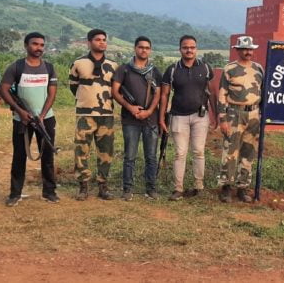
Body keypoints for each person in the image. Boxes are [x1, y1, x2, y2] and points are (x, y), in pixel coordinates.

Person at [0, 32, 59, 206]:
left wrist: (41, 116)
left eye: (41, 45)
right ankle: (15, 194)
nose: (38, 48)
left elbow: (52, 93)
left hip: (46, 119)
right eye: (35, 44)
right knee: (19, 156)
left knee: (47, 157)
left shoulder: (49, 67)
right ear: (26, 45)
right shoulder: (16, 67)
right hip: (22, 119)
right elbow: (4, 89)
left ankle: (49, 192)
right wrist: (20, 111)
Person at [159, 35, 215, 201]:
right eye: (185, 47)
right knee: (180, 153)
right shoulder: (172, 69)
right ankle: (178, 189)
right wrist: (162, 117)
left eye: (192, 47)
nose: (189, 50)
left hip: (200, 116)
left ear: (196, 49)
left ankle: (199, 186)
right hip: (178, 116)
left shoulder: (205, 68)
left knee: (198, 151)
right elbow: (164, 95)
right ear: (180, 49)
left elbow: (212, 93)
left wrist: (216, 114)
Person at [69, 29, 118, 201]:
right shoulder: (78, 63)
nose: (102, 42)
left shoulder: (113, 65)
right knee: (81, 150)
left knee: (106, 151)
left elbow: (115, 89)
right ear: (88, 42)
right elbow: (74, 86)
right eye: (97, 39)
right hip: (85, 114)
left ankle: (103, 186)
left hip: (106, 114)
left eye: (104, 39)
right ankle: (83, 186)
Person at [112, 36, 162, 201]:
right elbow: (115, 91)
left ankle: (151, 189)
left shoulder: (154, 71)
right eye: (141, 47)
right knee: (130, 156)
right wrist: (130, 107)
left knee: (151, 157)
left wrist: (149, 111)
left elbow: (158, 94)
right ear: (135, 48)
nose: (144, 50)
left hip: (150, 120)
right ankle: (127, 189)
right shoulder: (124, 69)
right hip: (130, 120)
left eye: (147, 48)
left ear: (150, 50)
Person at [216, 36, 264, 203]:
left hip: (253, 115)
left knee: (249, 151)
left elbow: (262, 93)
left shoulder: (259, 69)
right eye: (244, 49)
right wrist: (222, 118)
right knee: (231, 151)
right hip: (234, 114)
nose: (248, 52)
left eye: (250, 49)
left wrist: (262, 115)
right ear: (238, 50)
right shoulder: (230, 69)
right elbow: (222, 94)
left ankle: (243, 187)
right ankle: (226, 187)